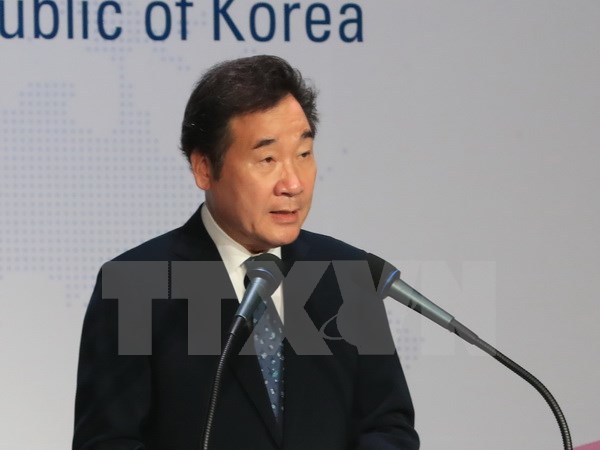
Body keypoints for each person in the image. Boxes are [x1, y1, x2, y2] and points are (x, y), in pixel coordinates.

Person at [73, 55, 419, 450]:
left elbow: (389, 426)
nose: (292, 183)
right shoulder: (134, 286)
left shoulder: (349, 275)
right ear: (204, 169)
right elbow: (107, 443)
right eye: (267, 159)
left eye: (304, 154)